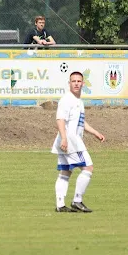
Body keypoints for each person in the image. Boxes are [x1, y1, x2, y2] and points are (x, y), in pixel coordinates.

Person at [52, 71, 105, 213]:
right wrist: (64, 138)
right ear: (69, 83)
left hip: (67, 140)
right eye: (73, 81)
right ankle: (77, 200)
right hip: (70, 141)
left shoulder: (78, 101)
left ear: (83, 83)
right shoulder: (66, 100)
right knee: (88, 168)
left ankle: (60, 205)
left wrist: (95, 132)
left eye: (78, 81)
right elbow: (60, 119)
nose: (76, 83)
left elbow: (80, 122)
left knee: (65, 172)